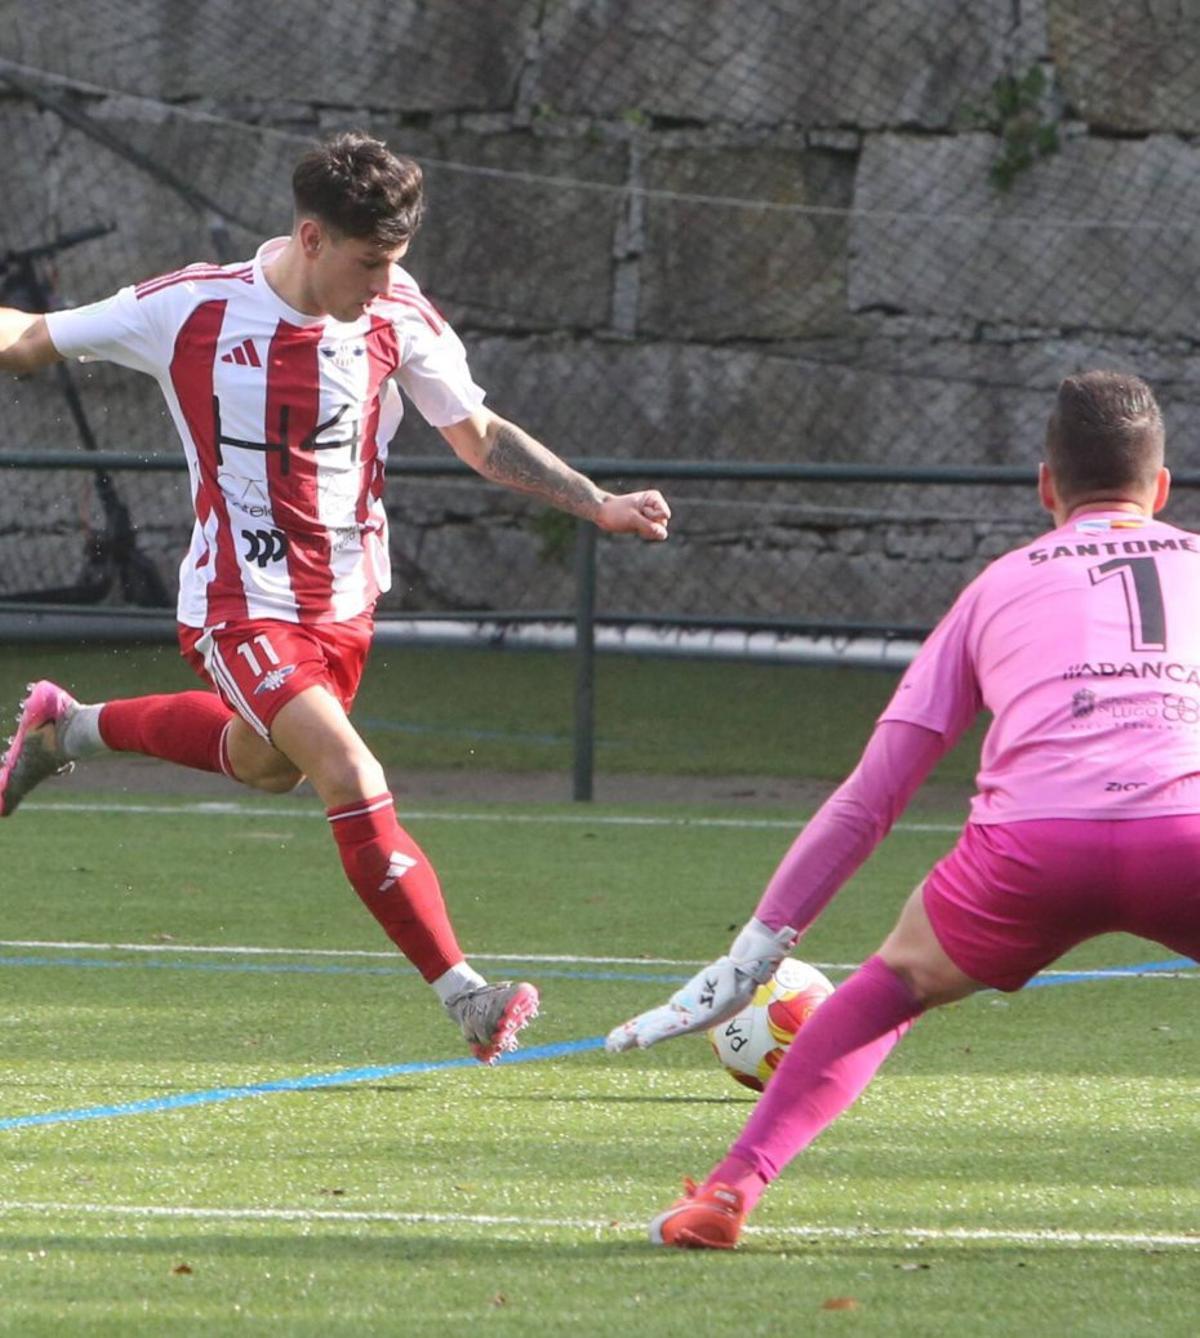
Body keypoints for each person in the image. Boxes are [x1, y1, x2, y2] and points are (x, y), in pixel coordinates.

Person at [0, 131, 671, 1065]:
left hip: (344, 608)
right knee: (349, 773)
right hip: (238, 604)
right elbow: (30, 336)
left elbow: (478, 434)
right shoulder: (191, 307)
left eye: (395, 261)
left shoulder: (399, 314)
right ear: (312, 238)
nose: (383, 281)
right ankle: (468, 996)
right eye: (369, 262)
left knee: (268, 764)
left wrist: (597, 502)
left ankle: (67, 729)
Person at [607, 370, 1200, 1248]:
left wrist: (756, 950)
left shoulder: (996, 587)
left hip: (1031, 848)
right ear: (1162, 489)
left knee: (893, 986)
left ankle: (728, 1194)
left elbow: (874, 794)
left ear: (1046, 486)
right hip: (1187, 837)